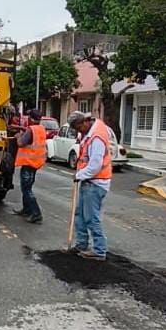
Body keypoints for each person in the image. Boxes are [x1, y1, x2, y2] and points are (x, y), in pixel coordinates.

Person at [68, 111, 112, 261]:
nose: (78, 131)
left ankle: (99, 250)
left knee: (91, 218)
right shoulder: (89, 132)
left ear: (85, 122)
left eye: (79, 127)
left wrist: (79, 175)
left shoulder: (97, 137)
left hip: (96, 182)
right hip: (89, 182)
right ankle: (82, 244)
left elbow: (95, 165)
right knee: (80, 214)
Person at [13, 109, 46, 223]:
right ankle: (27, 209)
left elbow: (21, 143)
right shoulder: (41, 129)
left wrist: (18, 136)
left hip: (28, 163)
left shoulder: (30, 130)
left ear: (30, 118)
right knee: (27, 187)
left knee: (26, 189)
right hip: (35, 163)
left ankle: (36, 213)